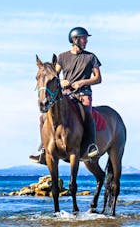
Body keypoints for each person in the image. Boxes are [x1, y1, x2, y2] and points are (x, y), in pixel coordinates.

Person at [30, 27, 102, 163]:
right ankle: (44, 149)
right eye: (83, 38)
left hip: (83, 93)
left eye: (86, 38)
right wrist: (62, 81)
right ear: (74, 40)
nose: (86, 40)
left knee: (87, 113)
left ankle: (91, 146)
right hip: (66, 94)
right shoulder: (62, 57)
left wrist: (82, 82)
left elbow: (98, 78)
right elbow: (54, 76)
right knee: (43, 117)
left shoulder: (91, 57)